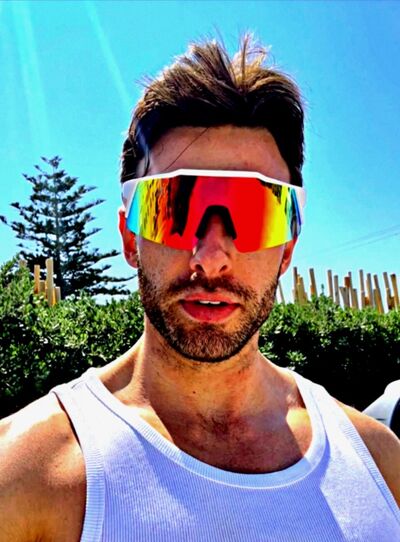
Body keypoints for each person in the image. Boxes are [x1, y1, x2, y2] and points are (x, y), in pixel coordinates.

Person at [1, 35, 399, 542]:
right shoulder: (27, 478)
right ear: (130, 238)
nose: (211, 256)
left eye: (255, 213)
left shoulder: (381, 465)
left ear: (287, 249)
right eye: (173, 208)